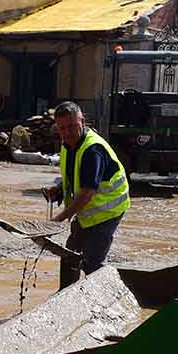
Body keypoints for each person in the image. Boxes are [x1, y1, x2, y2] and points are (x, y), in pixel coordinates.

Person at [41, 101, 130, 287]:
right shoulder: (68, 145)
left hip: (108, 211)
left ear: (82, 121)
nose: (67, 132)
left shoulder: (92, 150)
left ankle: (105, 301)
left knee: (92, 263)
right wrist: (58, 191)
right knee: (69, 255)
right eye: (63, 128)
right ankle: (64, 296)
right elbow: (75, 178)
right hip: (87, 211)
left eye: (72, 126)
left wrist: (59, 218)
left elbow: (87, 193)